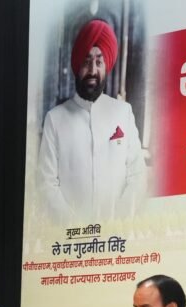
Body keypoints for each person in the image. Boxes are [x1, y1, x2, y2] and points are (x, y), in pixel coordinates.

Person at [38, 18, 146, 223]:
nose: (93, 71)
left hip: (116, 233)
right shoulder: (55, 119)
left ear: (106, 66)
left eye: (99, 62)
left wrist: (117, 222)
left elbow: (137, 175)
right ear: (77, 65)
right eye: (86, 62)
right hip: (69, 236)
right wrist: (75, 228)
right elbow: (46, 183)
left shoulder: (123, 112)